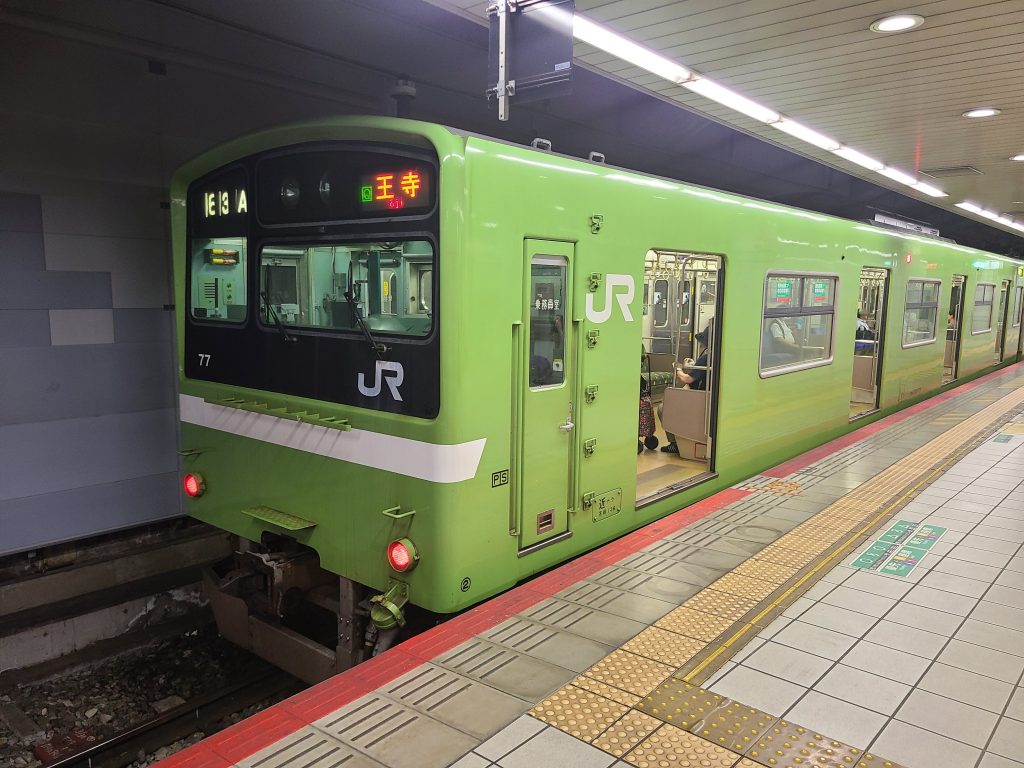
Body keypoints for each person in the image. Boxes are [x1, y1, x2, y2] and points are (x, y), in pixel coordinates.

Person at [660, 318, 712, 454]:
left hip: (699, 398)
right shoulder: (716, 356)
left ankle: (674, 444)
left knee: (662, 409)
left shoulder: (706, 357)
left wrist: (678, 369)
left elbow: (687, 379)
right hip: (708, 396)